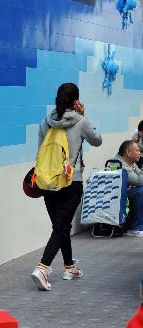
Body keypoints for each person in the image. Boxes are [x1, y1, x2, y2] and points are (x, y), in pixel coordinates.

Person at [31, 82, 102, 291]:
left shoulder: (45, 122)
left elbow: (40, 152)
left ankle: (70, 267)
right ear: (76, 101)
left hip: (48, 181)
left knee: (60, 227)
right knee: (61, 227)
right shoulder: (81, 122)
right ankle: (42, 267)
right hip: (72, 181)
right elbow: (97, 140)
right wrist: (84, 114)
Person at [114, 139, 143, 236]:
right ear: (128, 152)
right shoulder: (118, 163)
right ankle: (135, 228)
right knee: (141, 191)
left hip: (126, 193)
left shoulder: (131, 162)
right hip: (117, 196)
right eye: (137, 151)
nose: (140, 153)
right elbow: (139, 181)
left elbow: (139, 177)